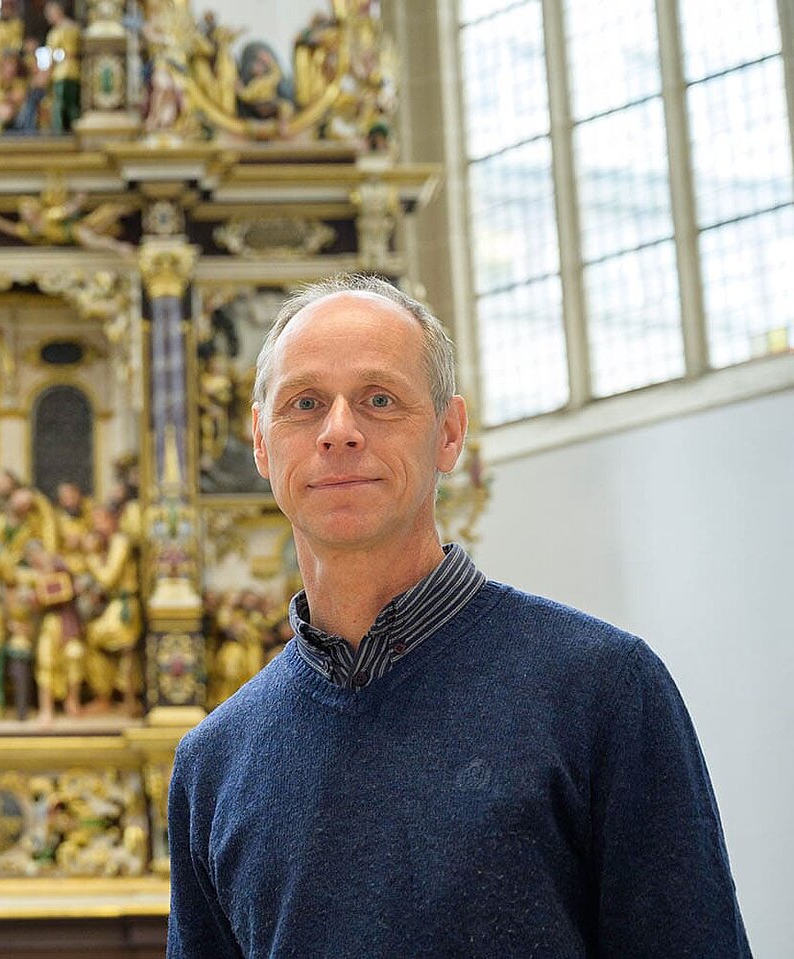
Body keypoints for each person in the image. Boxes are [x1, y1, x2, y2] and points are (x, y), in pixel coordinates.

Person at [165, 274, 750, 958]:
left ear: (448, 434)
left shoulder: (604, 689)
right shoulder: (213, 761)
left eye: (379, 399)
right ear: (262, 446)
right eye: (305, 403)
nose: (339, 431)